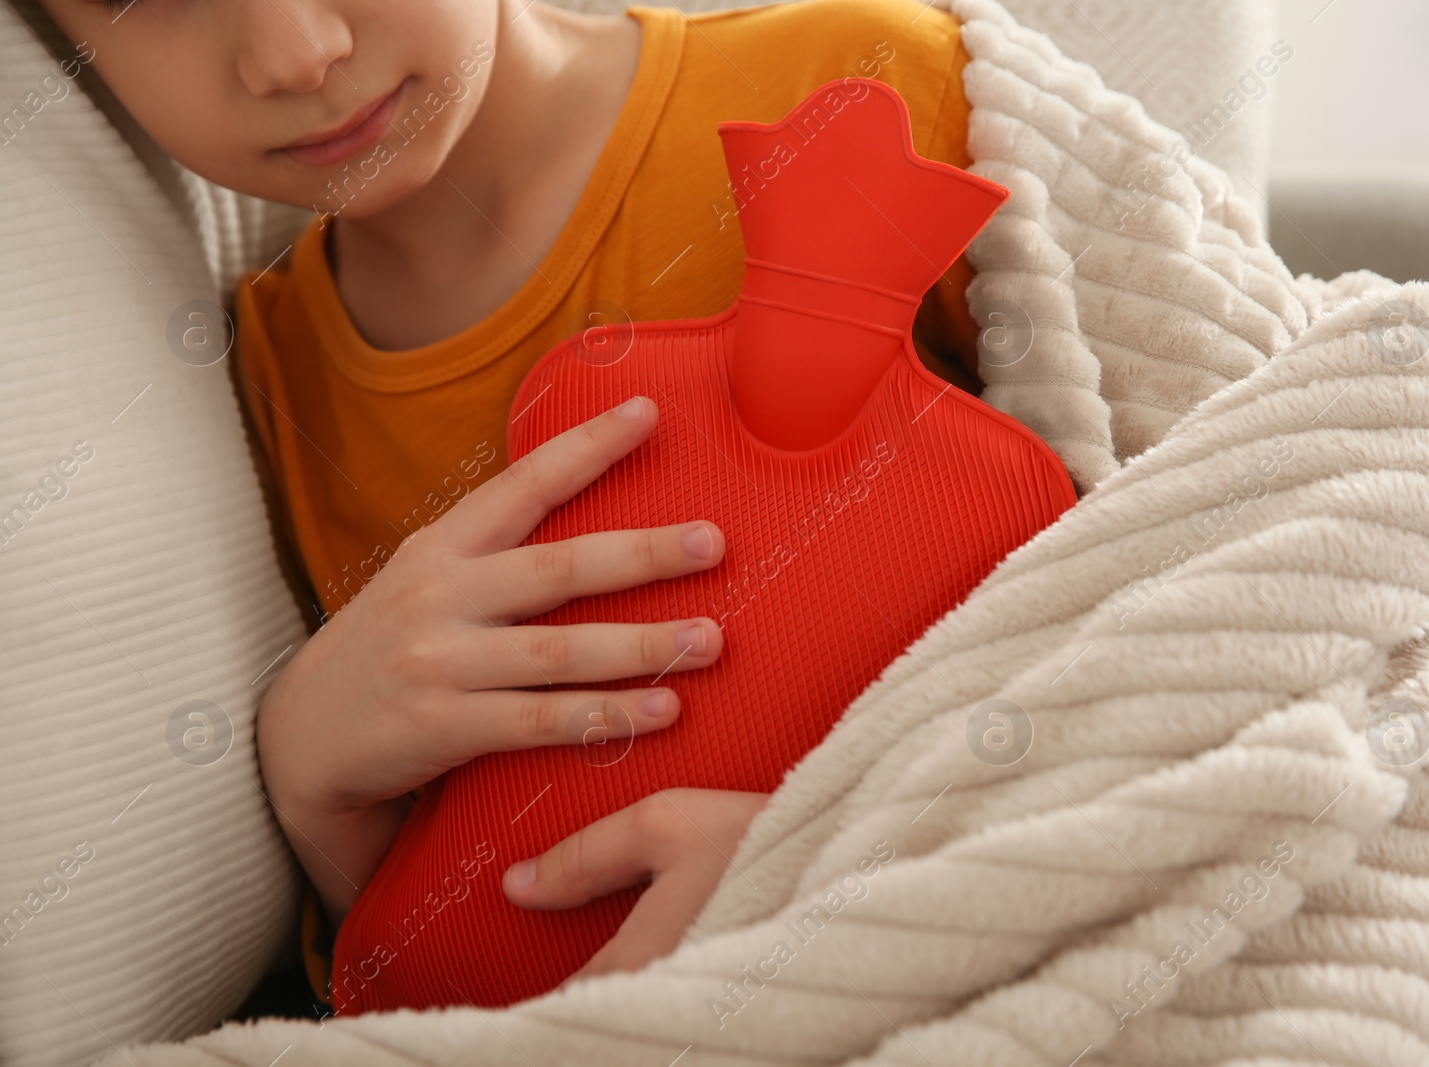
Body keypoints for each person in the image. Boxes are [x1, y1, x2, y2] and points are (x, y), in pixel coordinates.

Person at [35, 0, 982, 1009]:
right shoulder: (261, 391)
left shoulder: (871, 84)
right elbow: (441, 958)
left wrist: (854, 861)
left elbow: (1150, 602)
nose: (295, 55)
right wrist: (317, 794)